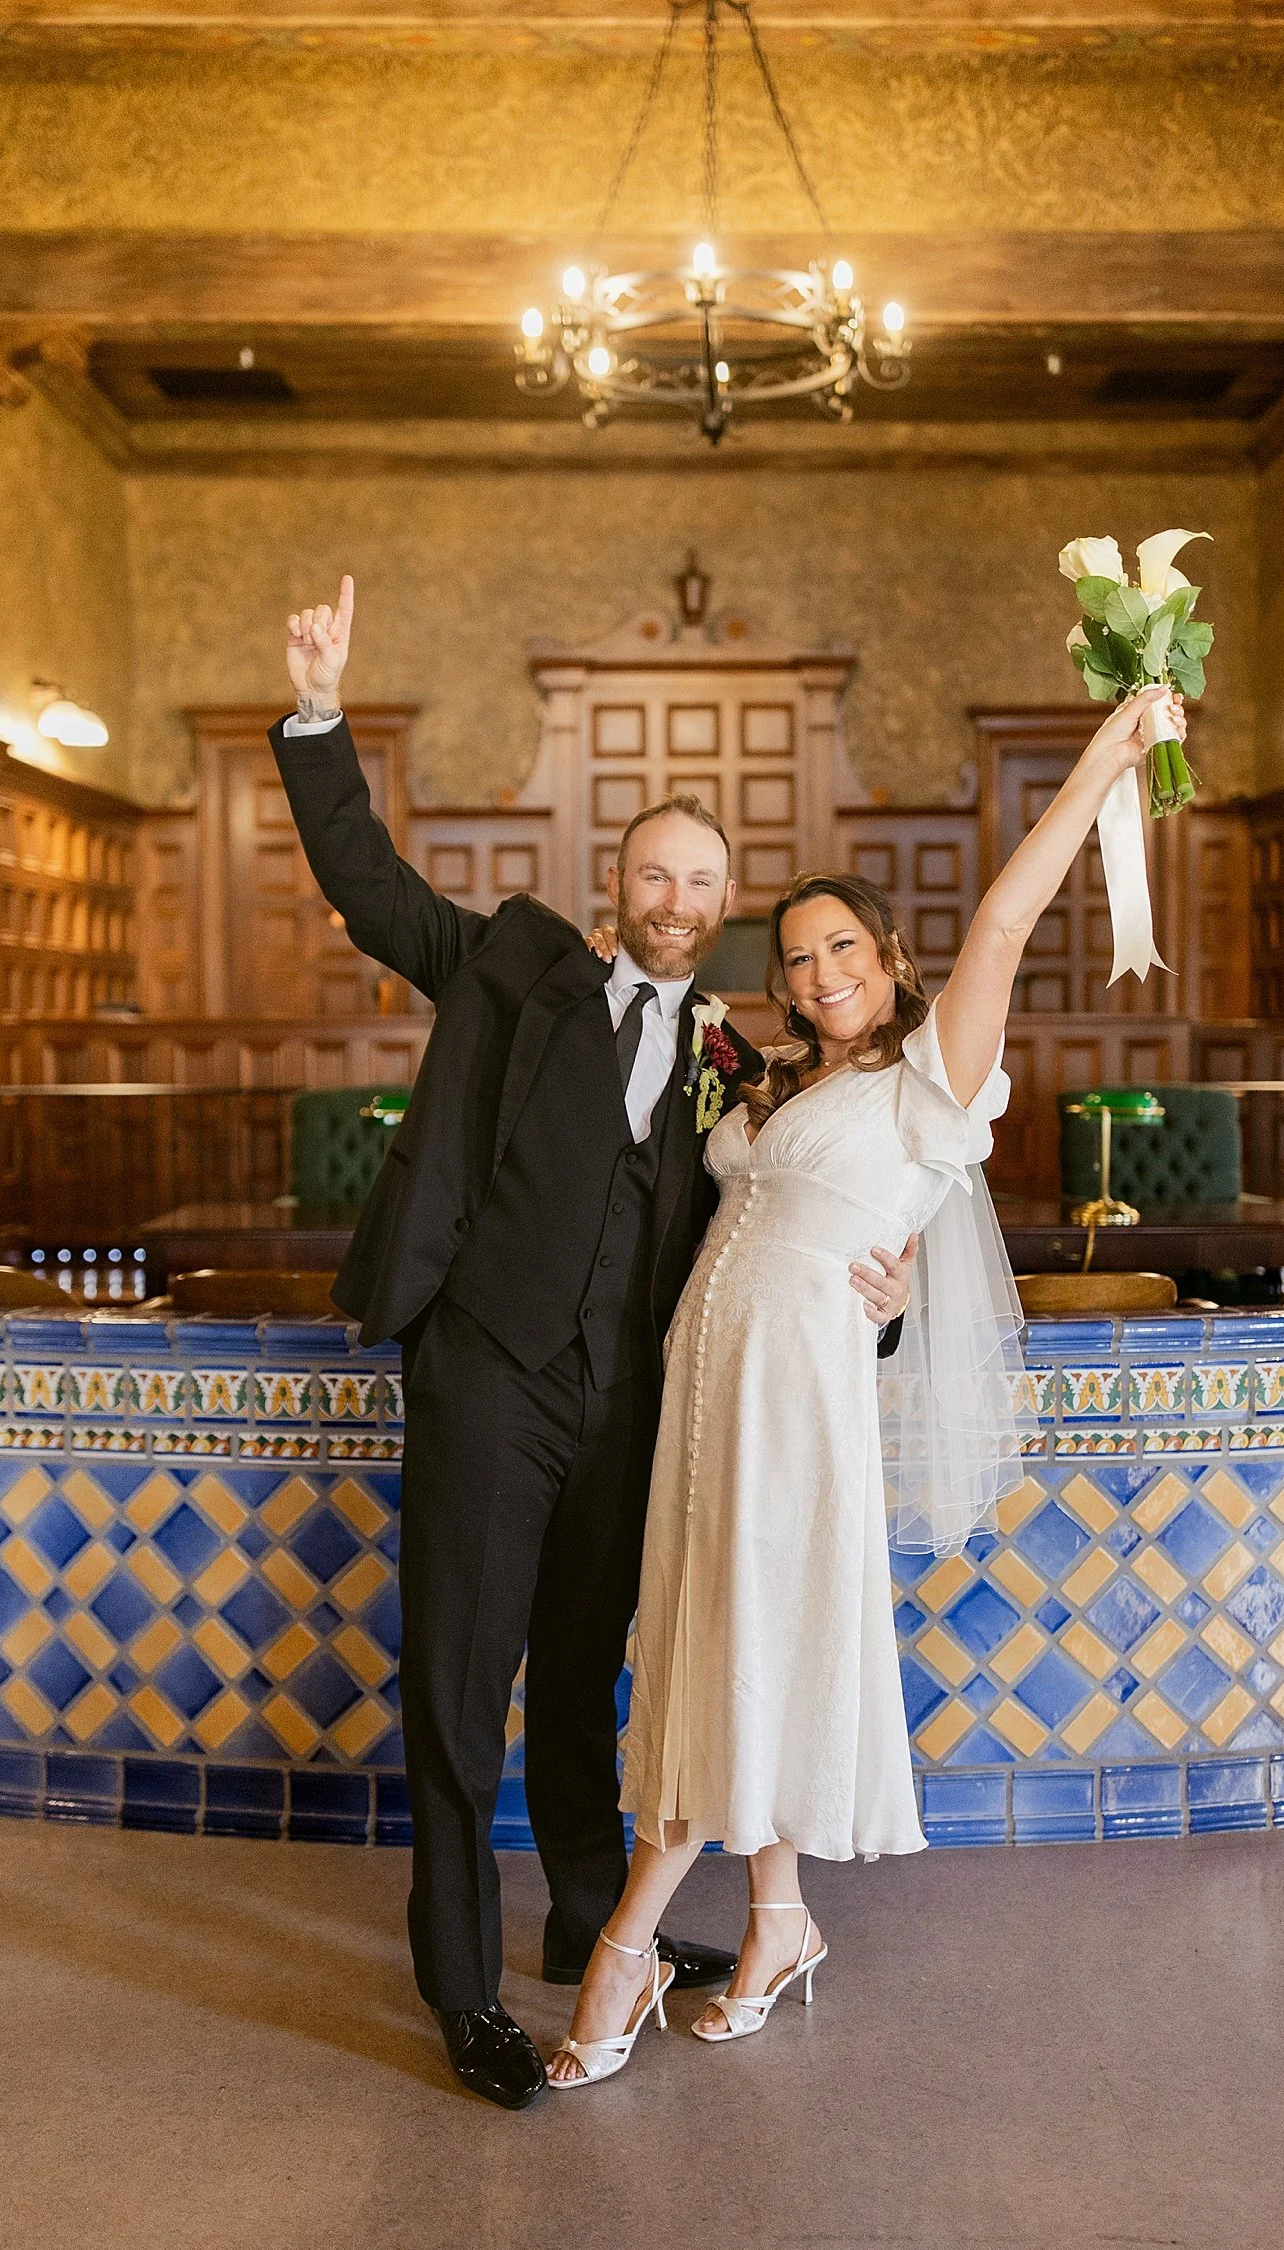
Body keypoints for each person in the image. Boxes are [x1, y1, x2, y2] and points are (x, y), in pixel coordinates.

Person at [270, 576, 919, 2110]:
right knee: (455, 1680)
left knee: (579, 1682)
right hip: (490, 1376)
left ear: (725, 903)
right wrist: (316, 713)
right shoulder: (512, 961)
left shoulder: (740, 1066)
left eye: (703, 880)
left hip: (630, 1408)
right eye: (654, 872)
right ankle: (458, 1985)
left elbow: (798, 1231)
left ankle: (580, 1923)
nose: (677, 896)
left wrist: (879, 1316)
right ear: (617, 882)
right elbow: (372, 891)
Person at [546, 681, 1185, 2087]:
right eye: (798, 952)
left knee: (734, 1652)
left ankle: (627, 1947)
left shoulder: (931, 1078)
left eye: (844, 943)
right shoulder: (777, 1079)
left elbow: (1010, 917)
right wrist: (613, 948)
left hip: (795, 1410)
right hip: (707, 1407)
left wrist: (1104, 756)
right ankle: (777, 1920)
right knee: (728, 1641)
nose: (822, 966)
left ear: (891, 957)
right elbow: (663, 1011)